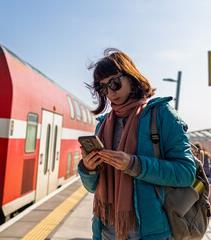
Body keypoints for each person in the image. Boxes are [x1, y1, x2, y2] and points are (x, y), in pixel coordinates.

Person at [78, 48, 196, 240]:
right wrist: (88, 168)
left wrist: (134, 165)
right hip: (107, 229)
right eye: (103, 88)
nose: (110, 92)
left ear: (131, 78)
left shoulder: (162, 114)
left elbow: (185, 173)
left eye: (114, 83)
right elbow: (93, 188)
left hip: (148, 231)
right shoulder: (103, 124)